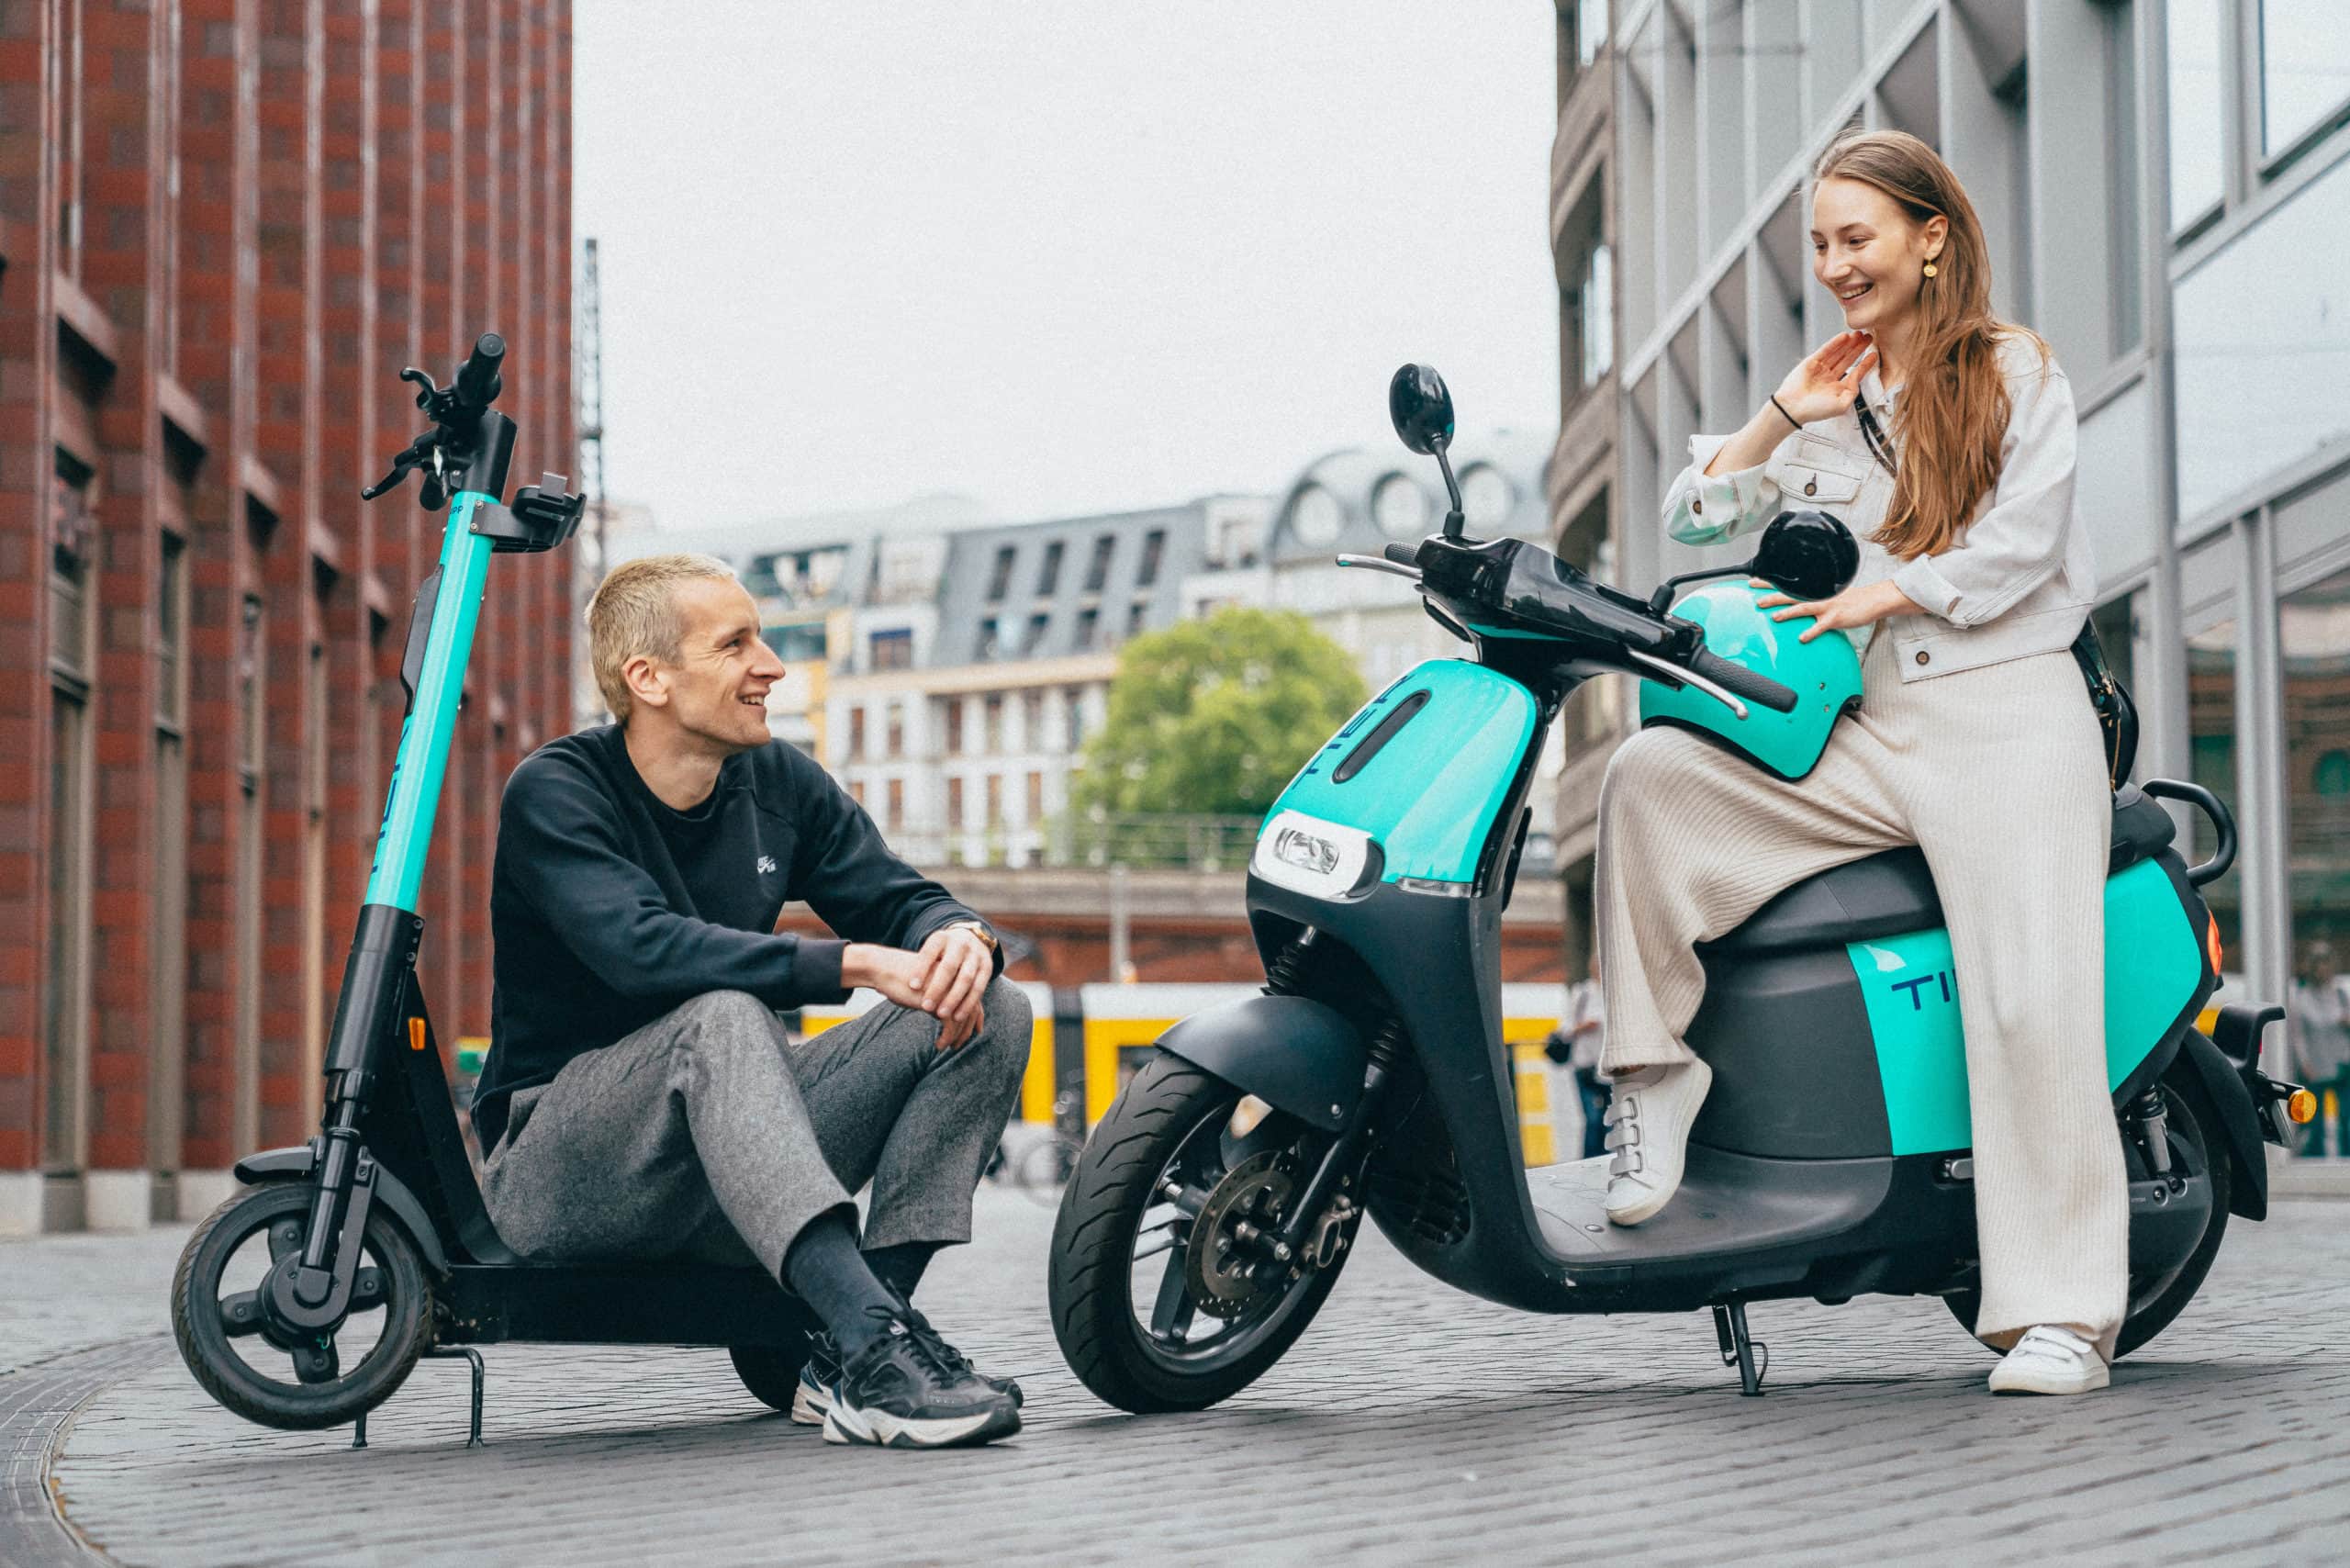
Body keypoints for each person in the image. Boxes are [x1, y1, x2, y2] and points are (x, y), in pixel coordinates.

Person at [1594, 130, 2121, 1396]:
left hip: (2010, 716)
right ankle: (1652, 1083)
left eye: (1856, 238)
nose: (1834, 265)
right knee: (1652, 782)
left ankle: (2062, 1314)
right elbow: (1692, 516)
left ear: (1930, 236)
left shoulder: (2014, 369)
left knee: (2028, 1005)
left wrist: (1885, 597)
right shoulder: (1836, 391)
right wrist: (1785, 411)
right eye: (1820, 245)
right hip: (1875, 736)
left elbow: (2023, 547)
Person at [471, 553, 1031, 1450]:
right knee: (721, 1014)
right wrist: (851, 964)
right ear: (647, 678)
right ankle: (875, 1344)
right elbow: (643, 952)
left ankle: (851, 1351)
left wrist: (956, 935)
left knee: (986, 1006)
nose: (770, 665)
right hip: (565, 1171)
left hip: (735, 1145)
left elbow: (898, 894)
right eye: (736, 644)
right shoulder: (559, 791)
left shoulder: (780, 783)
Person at [1543, 956, 1609, 1159]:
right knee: (1593, 1117)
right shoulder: (1582, 994)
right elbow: (1565, 1028)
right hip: (1585, 1064)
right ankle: (1590, 1161)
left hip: (1609, 1067)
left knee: (1610, 1119)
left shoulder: (1614, 995)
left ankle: (1608, 1161)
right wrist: (1584, 1027)